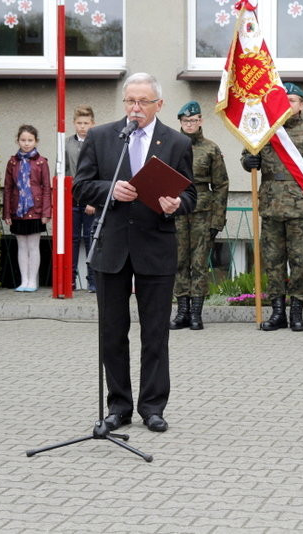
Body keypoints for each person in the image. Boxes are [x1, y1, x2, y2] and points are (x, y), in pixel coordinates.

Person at [73, 73, 197, 433]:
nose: (135, 108)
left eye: (143, 102)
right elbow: (81, 187)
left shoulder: (175, 142)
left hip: (155, 246)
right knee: (112, 331)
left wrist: (177, 203)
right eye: (130, 101)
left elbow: (191, 194)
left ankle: (153, 407)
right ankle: (118, 406)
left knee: (155, 332)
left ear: (159, 105)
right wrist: (110, 192)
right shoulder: (101, 136)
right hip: (111, 246)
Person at [241, 82, 303, 332]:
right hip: (271, 206)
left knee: (300, 261)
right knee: (273, 262)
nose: (288, 104)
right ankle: (277, 312)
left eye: (293, 100)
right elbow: (247, 156)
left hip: (300, 209)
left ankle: (297, 313)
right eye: (285, 100)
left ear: (301, 105)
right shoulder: (265, 130)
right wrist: (248, 160)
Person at [170, 101, 229, 331]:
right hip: (177, 210)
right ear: (181, 123)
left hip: (203, 213)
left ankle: (196, 312)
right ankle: (182, 311)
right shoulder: (172, 146)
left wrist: (218, 219)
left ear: (201, 121)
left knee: (198, 264)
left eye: (193, 120)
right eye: (186, 121)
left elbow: (221, 185)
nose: (190, 124)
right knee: (179, 261)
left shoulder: (211, 149)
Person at [3, 125, 52, 292]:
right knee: (21, 246)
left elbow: (47, 187)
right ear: (17, 141)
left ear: (36, 141)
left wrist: (46, 212)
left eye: (30, 140)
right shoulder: (12, 162)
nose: (26, 143)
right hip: (18, 210)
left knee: (33, 246)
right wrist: (7, 212)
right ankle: (24, 280)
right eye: (23, 140)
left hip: (35, 209)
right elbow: (8, 188)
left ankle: (33, 281)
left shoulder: (41, 162)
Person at [65, 105, 97, 292]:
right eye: (79, 123)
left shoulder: (96, 142)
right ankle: (70, 278)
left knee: (91, 238)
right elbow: (62, 172)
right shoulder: (68, 143)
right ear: (74, 123)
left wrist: (93, 200)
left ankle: (92, 280)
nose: (82, 126)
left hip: (90, 198)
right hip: (72, 198)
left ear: (92, 124)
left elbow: (99, 172)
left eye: (86, 123)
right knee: (73, 239)